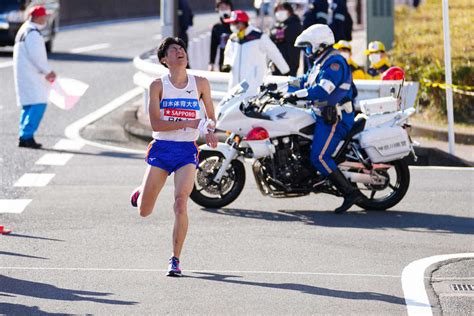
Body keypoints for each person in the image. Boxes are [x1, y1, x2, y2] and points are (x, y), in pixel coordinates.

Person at [129, 37, 218, 277]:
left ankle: (175, 259)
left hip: (186, 151)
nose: (180, 52)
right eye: (174, 50)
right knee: (144, 211)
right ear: (164, 60)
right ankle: (141, 191)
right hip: (161, 148)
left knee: (181, 202)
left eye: (182, 49)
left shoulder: (200, 83)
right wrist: (188, 122)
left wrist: (209, 130)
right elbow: (156, 123)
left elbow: (210, 117)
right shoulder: (157, 85)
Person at [281, 24, 363, 213]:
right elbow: (305, 81)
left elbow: (321, 90)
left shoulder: (334, 63)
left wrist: (296, 95)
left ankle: (350, 192)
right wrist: (278, 87)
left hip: (335, 118)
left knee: (319, 156)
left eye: (309, 47)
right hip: (319, 114)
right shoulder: (320, 61)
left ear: (320, 44)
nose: (307, 51)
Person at [13, 5, 56, 149]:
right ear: (37, 17)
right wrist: (48, 71)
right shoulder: (33, 33)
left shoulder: (24, 30)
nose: (45, 19)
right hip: (32, 75)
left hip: (24, 74)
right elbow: (37, 57)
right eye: (44, 16)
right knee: (39, 103)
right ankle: (26, 136)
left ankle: (24, 135)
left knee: (28, 105)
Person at [222, 10, 290, 96]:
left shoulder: (258, 36)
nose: (232, 26)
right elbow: (228, 54)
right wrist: (226, 64)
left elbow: (274, 52)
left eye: (234, 23)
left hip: (253, 83)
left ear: (242, 23)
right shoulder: (233, 38)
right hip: (235, 83)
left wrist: (285, 70)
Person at [269, 2, 302, 76]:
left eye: (281, 9)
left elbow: (281, 35)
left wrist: (275, 34)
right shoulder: (278, 24)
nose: (279, 12)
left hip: (290, 64)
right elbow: (270, 35)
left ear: (289, 10)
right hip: (277, 63)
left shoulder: (295, 23)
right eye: (277, 10)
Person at [209, 0, 233, 72]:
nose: (224, 10)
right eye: (222, 8)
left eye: (226, 7)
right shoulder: (217, 27)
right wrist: (211, 63)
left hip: (236, 60)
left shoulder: (236, 24)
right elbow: (213, 46)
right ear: (217, 9)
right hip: (223, 62)